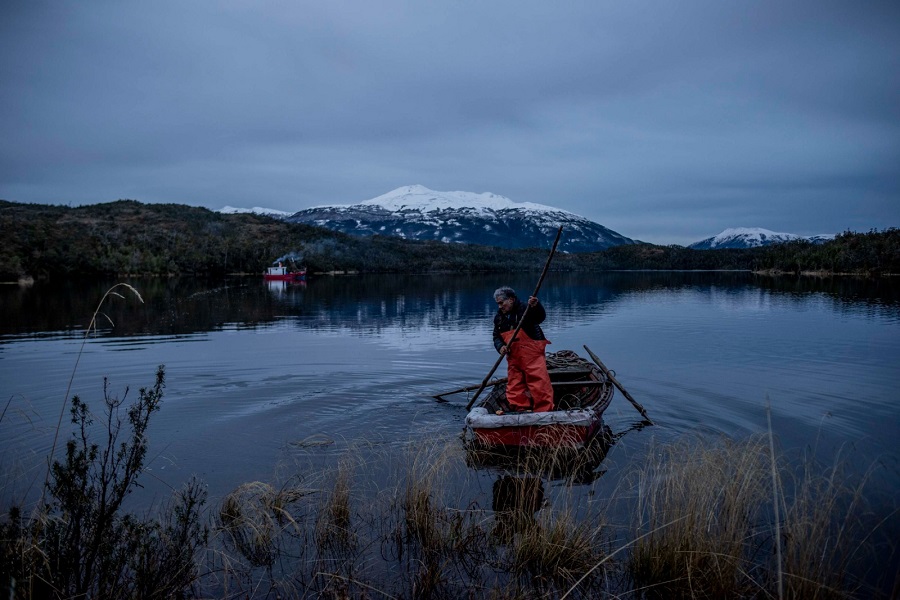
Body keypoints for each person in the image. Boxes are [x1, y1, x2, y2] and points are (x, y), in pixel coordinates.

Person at [492, 286, 554, 412]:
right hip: (514, 357)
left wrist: (536, 306)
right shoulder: (499, 318)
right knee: (515, 385)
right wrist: (501, 347)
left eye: (501, 303)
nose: (499, 306)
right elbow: (496, 337)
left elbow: (539, 317)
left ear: (511, 299)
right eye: (498, 304)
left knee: (538, 383)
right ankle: (520, 410)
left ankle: (544, 411)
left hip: (533, 355)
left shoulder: (526, 309)